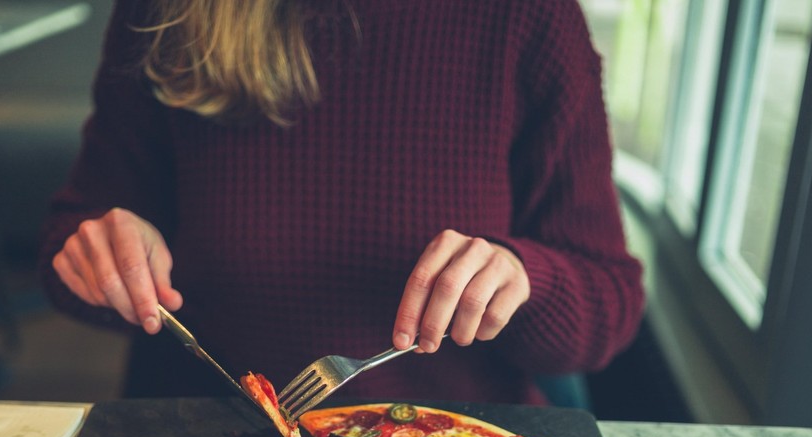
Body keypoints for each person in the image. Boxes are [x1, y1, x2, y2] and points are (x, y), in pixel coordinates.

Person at [38, 0, 645, 406]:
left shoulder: (530, 17)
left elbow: (610, 304)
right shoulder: (167, 11)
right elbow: (65, 251)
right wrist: (98, 258)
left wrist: (522, 280)